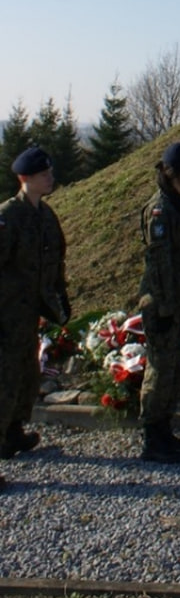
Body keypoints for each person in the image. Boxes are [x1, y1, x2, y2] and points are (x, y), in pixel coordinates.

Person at [0, 147, 70, 484]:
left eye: (51, 173)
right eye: (44, 175)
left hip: (28, 314)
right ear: (24, 179)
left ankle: (12, 432)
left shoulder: (45, 216)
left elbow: (56, 259)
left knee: (26, 376)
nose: (50, 179)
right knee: (3, 380)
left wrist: (60, 296)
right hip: (5, 313)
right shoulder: (8, 217)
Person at [138, 140, 180, 464]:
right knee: (160, 369)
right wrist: (164, 307)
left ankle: (165, 432)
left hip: (179, 303)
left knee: (174, 369)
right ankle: (152, 437)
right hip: (163, 304)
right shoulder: (160, 209)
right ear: (177, 171)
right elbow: (159, 262)